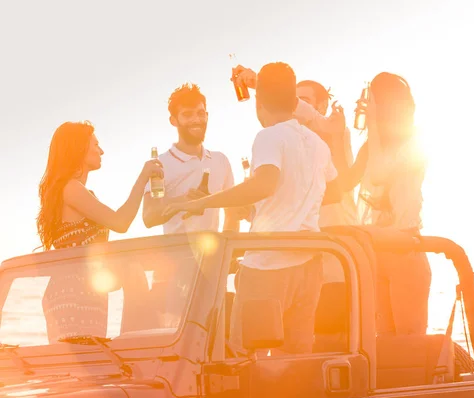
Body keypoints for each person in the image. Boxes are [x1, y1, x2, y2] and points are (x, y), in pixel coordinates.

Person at [165, 62, 337, 354]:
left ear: (258, 102)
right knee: (296, 357)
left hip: (269, 267)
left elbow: (265, 184)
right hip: (309, 265)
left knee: (244, 357)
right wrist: (262, 207)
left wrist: (203, 202)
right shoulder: (317, 143)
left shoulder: (268, 136)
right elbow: (333, 189)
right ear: (293, 99)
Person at [36, 121, 161, 342]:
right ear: (79, 148)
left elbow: (92, 256)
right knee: (82, 366)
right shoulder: (71, 188)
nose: (101, 150)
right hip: (72, 294)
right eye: (96, 144)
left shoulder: (74, 190)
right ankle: (134, 342)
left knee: (90, 365)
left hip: (86, 292)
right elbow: (120, 222)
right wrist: (143, 178)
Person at [358, 73, 431, 336]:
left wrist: (373, 124)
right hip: (375, 253)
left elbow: (378, 173)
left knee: (409, 344)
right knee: (384, 345)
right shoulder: (373, 144)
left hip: (404, 250)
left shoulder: (414, 142)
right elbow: (342, 184)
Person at [142, 83, 238, 234]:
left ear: (207, 115)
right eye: (187, 114)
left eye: (200, 113)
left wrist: (227, 253)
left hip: (215, 255)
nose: (196, 119)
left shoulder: (221, 161)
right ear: (173, 120)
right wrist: (183, 201)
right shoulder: (160, 164)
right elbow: (148, 217)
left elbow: (232, 213)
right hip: (175, 255)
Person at [296, 80, 357, 228]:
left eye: (303, 101)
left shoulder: (335, 131)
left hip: (338, 230)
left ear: (323, 106)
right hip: (308, 232)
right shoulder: (295, 139)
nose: (296, 107)